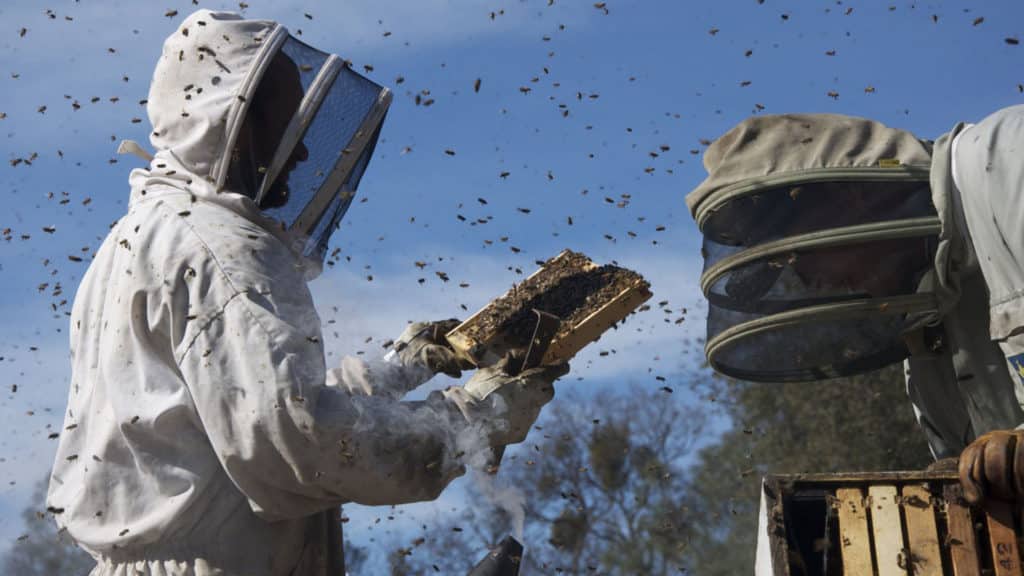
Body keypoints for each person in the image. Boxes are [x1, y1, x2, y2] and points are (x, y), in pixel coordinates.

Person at [47, 9, 567, 575]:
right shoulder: (220, 247)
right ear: (229, 121)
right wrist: (474, 416)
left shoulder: (140, 237)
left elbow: (248, 405)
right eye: (284, 122)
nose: (299, 152)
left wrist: (401, 368)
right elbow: (299, 441)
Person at [686, 106, 1024, 508]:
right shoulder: (930, 357)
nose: (811, 282)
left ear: (850, 197)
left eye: (801, 253)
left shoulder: (1006, 157)